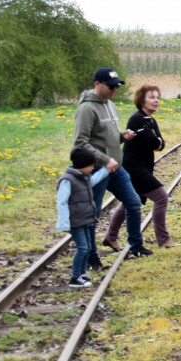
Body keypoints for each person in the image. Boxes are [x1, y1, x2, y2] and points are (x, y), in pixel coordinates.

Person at [74, 68, 150, 261]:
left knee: (133, 203)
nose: (115, 89)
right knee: (93, 214)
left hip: (116, 168)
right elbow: (81, 143)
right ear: (97, 84)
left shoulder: (110, 105)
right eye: (111, 86)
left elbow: (106, 138)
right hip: (96, 170)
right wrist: (105, 159)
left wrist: (121, 137)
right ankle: (91, 257)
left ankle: (136, 246)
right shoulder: (86, 109)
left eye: (117, 85)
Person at [102, 84, 180, 251]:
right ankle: (163, 239)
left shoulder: (150, 120)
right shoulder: (138, 119)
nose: (156, 100)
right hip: (135, 168)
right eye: (151, 97)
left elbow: (161, 144)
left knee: (128, 203)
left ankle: (110, 237)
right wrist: (156, 140)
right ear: (142, 100)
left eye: (158, 97)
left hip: (141, 167)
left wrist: (156, 140)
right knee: (161, 197)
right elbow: (154, 142)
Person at [56, 147, 110, 287]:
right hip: (76, 221)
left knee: (87, 246)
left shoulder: (82, 178)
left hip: (86, 219)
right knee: (82, 248)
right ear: (82, 165)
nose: (92, 168)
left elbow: (94, 181)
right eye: (91, 165)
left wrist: (105, 170)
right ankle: (75, 277)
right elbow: (62, 201)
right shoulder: (68, 180)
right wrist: (63, 223)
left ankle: (82, 273)